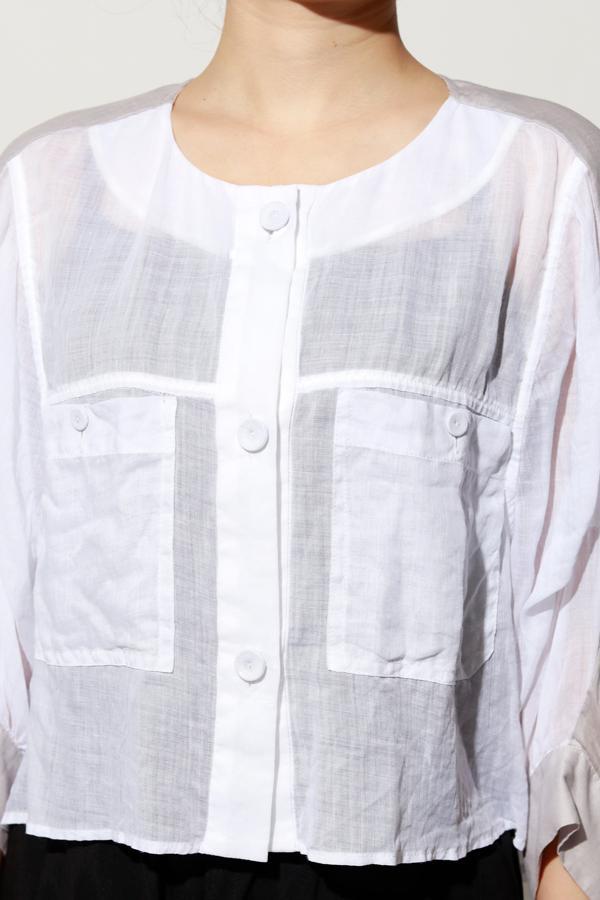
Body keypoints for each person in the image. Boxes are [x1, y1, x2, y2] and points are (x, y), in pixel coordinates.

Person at [0, 1, 599, 898]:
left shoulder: (539, 177)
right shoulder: (49, 187)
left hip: (415, 862)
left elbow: (576, 607)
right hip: (81, 854)